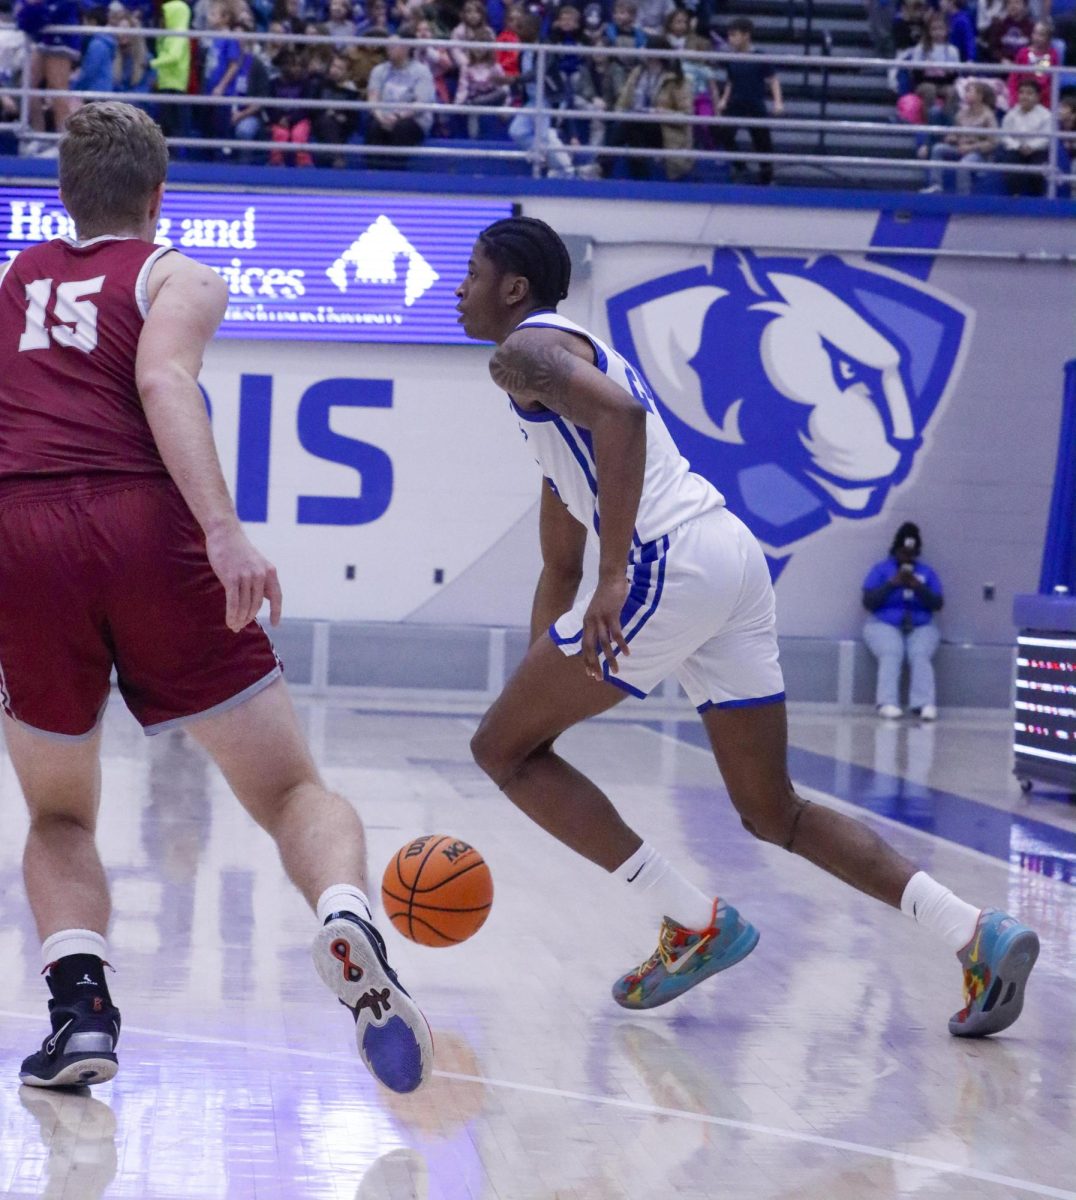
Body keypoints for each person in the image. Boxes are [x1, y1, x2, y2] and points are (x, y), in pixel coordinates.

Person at [455, 215, 1039, 1037]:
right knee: (774, 810)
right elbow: (559, 561)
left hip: (668, 564)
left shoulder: (520, 354)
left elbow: (623, 422)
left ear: (513, 287)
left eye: (472, 271)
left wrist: (617, 574)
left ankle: (690, 922)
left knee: (495, 751)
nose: (459, 287)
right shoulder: (555, 393)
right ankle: (975, 931)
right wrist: (536, 686)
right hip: (727, 557)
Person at [0, 101, 431, 1094]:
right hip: (145, 526)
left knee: (60, 815)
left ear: (61, 195)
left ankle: (81, 1018)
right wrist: (224, 530)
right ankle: (343, 915)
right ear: (159, 196)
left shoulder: (15, 280)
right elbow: (162, 385)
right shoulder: (177, 275)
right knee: (288, 791)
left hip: (24, 536)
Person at [861, 522, 944, 720]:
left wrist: (918, 587)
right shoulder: (881, 570)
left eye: (911, 554)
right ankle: (887, 702)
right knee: (892, 652)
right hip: (883, 623)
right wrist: (892, 584)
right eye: (903, 553)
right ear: (896, 550)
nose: (907, 557)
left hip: (921, 624)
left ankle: (923, 704)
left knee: (920, 654)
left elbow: (937, 603)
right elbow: (868, 602)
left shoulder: (926, 573)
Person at [716, 16, 783, 185]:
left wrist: (778, 102)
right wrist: (724, 99)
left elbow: (773, 79)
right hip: (735, 102)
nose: (730, 39)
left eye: (734, 35)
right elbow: (730, 81)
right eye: (729, 35)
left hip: (754, 103)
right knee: (724, 133)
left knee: (763, 143)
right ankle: (741, 166)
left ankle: (766, 179)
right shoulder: (732, 58)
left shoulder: (760, 56)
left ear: (746, 35)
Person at [924, 78, 997, 192]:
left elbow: (992, 143)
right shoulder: (961, 113)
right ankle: (936, 185)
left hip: (978, 152)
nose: (966, 94)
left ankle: (963, 200)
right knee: (937, 149)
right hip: (960, 147)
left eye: (969, 91)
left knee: (963, 165)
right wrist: (952, 137)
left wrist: (971, 148)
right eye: (966, 91)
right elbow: (955, 132)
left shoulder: (988, 116)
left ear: (980, 96)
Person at [1000, 75, 1052, 193]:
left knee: (1037, 172)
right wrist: (1018, 146)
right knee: (1011, 168)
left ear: (1038, 97)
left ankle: (1037, 203)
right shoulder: (1011, 114)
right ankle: (1014, 200)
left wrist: (1031, 147)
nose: (1024, 96)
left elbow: (1046, 138)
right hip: (1015, 149)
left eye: (1029, 93)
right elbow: (1004, 135)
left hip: (1038, 151)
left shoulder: (1046, 115)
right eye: (1021, 93)